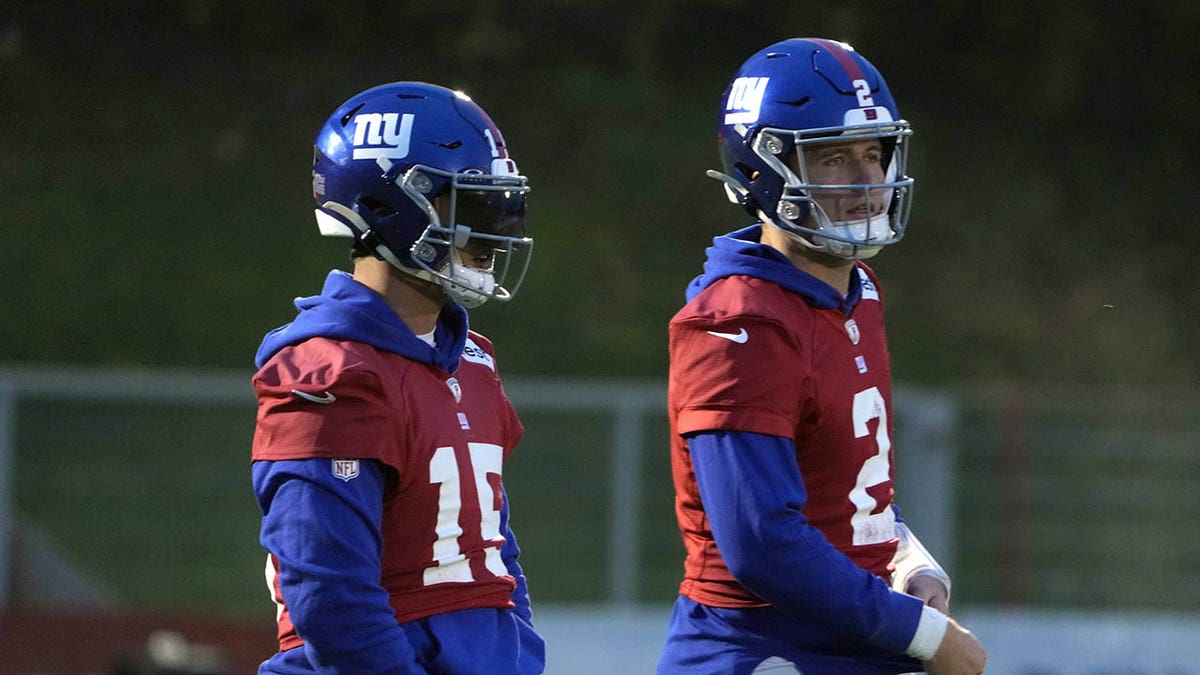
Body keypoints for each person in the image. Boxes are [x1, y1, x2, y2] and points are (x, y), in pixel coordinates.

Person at [658, 38, 987, 675]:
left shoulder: (854, 292)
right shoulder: (740, 321)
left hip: (848, 634)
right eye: (834, 159)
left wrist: (907, 560)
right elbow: (762, 543)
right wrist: (924, 636)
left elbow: (843, 491)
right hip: (765, 649)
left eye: (876, 153)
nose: (869, 184)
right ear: (762, 169)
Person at [249, 82, 544, 674]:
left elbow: (492, 555)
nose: (495, 232)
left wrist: (516, 652)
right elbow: (330, 597)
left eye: (502, 207)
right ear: (388, 207)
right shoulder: (331, 375)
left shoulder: (471, 359)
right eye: (473, 207)